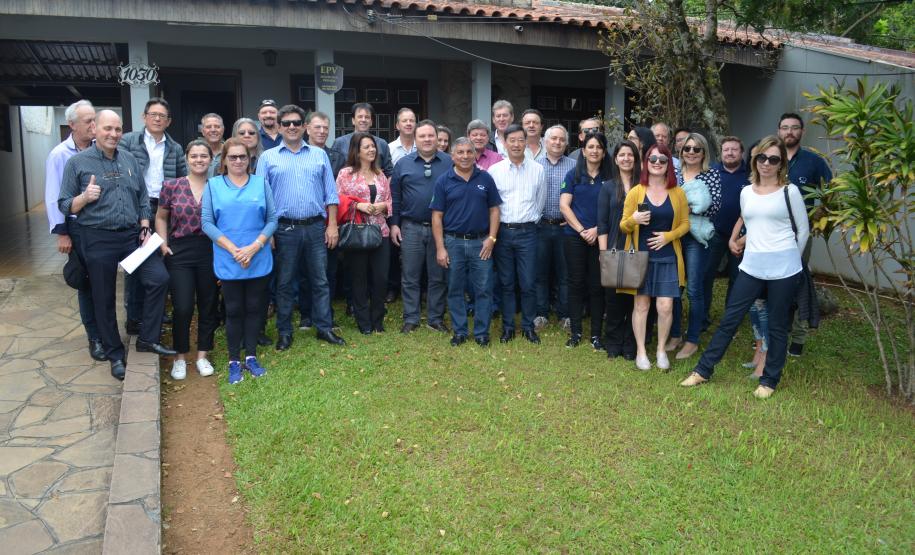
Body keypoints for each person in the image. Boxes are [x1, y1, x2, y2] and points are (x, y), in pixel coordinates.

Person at [681, 135, 809, 399]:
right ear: (755, 160)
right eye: (762, 157)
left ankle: (769, 380)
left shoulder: (790, 191)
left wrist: (793, 262)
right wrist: (737, 239)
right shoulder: (746, 191)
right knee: (729, 319)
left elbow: (803, 230)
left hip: (784, 269)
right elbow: (755, 223)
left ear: (781, 163)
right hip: (751, 265)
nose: (766, 163)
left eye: (773, 159)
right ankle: (703, 370)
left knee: (776, 324)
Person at [58, 110, 175, 381]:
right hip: (97, 237)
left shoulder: (130, 159)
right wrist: (84, 198)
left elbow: (144, 198)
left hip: (133, 236)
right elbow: (64, 204)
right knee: (103, 296)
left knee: (159, 278)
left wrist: (145, 225)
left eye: (117, 129)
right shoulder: (77, 163)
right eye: (107, 128)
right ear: (94, 130)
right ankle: (114, 353)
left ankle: (147, 338)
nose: (113, 134)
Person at [256, 104, 344, 350]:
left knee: (320, 280)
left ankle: (324, 327)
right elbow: (261, 198)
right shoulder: (267, 158)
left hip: (316, 227)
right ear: (279, 127)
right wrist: (268, 233)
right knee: (284, 283)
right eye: (287, 123)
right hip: (283, 230)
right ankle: (285, 332)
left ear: (304, 126)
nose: (292, 127)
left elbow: (331, 194)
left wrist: (333, 225)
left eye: (296, 122)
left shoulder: (319, 155)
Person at [202, 138, 277, 384]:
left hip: (258, 255)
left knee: (255, 309)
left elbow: (272, 219)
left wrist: (254, 247)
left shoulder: (260, 183)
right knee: (234, 310)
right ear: (223, 160)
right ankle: (234, 359)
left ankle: (252, 356)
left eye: (242, 157)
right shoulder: (213, 185)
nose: (237, 161)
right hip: (229, 257)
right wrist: (235, 250)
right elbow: (207, 223)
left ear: (249, 159)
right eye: (232, 157)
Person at [120, 97, 188, 334]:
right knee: (136, 262)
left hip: (164, 208)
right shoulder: (129, 141)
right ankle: (134, 316)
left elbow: (181, 180)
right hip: (137, 205)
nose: (157, 119)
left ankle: (158, 311)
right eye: (153, 114)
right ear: (144, 117)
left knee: (161, 258)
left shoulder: (175, 147)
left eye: (162, 116)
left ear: (168, 121)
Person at [620, 144, 690, 371]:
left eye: (662, 159)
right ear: (646, 162)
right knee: (641, 305)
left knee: (666, 306)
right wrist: (634, 220)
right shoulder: (636, 191)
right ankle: (641, 351)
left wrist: (669, 236)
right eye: (653, 159)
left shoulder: (677, 192)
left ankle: (661, 349)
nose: (657, 163)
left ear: (669, 164)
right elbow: (623, 226)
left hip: (668, 257)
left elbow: (686, 224)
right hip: (640, 257)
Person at [45, 99, 104, 361]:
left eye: (95, 119)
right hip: (77, 226)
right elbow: (52, 195)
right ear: (72, 125)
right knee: (86, 283)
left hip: (101, 225)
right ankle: (94, 337)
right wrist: (63, 232)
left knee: (102, 282)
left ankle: (106, 331)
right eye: (88, 121)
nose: (94, 125)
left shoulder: (100, 148)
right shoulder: (60, 154)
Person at [155, 139, 219, 380]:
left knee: (208, 304)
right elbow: (161, 217)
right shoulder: (171, 186)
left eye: (204, 156)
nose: (199, 160)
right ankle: (180, 357)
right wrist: (163, 243)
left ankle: (203, 355)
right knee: (182, 307)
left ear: (211, 159)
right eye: (194, 156)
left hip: (210, 250)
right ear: (186, 158)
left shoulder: (217, 186)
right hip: (179, 252)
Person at [431, 137, 502, 347]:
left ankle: (481, 332)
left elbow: (494, 210)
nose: (464, 156)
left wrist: (492, 238)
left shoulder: (486, 178)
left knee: (484, 289)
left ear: (474, 154)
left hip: (481, 243)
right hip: (453, 242)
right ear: (452, 156)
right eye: (460, 152)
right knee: (454, 288)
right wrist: (441, 248)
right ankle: (460, 331)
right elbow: (436, 216)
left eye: (468, 152)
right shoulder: (444, 180)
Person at [390, 119, 452, 334]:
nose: (427, 139)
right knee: (410, 275)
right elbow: (395, 198)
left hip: (440, 229)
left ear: (438, 138)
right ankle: (411, 318)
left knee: (438, 275)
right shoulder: (403, 164)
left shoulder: (449, 162)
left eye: (430, 136)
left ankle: (435, 318)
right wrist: (395, 225)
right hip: (410, 227)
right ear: (415, 140)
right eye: (422, 136)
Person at [778, 112, 832, 357]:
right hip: (771, 234)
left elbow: (831, 193)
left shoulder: (814, 162)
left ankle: (798, 339)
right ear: (779, 131)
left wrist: (818, 218)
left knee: (797, 282)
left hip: (800, 234)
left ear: (802, 131)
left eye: (794, 128)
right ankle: (776, 332)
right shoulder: (770, 158)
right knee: (772, 284)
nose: (789, 131)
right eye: (785, 127)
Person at [488, 124, 546, 344]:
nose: (516, 144)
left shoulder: (537, 170)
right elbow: (492, 206)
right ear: (504, 143)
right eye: (511, 140)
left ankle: (529, 327)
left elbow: (540, 203)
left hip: (528, 232)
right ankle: (508, 327)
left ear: (526, 141)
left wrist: (529, 222)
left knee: (528, 282)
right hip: (503, 232)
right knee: (506, 282)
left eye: (520, 139)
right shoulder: (495, 171)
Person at [668, 133, 722, 360]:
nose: (691, 152)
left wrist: (687, 209)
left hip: (695, 238)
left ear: (704, 153)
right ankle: (675, 334)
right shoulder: (675, 173)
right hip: (674, 235)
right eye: (687, 148)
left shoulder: (710, 175)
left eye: (696, 149)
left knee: (694, 289)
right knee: (675, 288)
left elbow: (715, 205)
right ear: (681, 152)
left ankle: (692, 339)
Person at [335, 133, 393, 334]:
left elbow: (389, 201)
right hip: (357, 232)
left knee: (381, 278)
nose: (372, 150)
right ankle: (363, 322)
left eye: (373, 146)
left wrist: (382, 207)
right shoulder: (345, 174)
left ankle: (377, 320)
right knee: (358, 278)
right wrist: (359, 205)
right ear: (357, 151)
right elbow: (338, 200)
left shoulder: (380, 174)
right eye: (367, 147)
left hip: (380, 232)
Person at [560, 132, 612, 350]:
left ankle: (596, 336)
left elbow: (615, 209)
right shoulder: (573, 175)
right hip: (575, 237)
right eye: (590, 147)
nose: (594, 151)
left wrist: (596, 230)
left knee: (597, 285)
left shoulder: (611, 177)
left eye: (599, 147)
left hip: (601, 237)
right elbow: (564, 206)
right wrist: (582, 230)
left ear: (604, 151)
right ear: (583, 151)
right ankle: (576, 333)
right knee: (575, 283)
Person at [298, 111, 346, 329]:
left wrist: (334, 224)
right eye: (317, 127)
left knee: (329, 270)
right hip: (306, 220)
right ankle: (306, 314)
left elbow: (338, 190)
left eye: (325, 128)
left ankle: (326, 313)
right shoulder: (298, 154)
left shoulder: (336, 156)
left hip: (331, 220)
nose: (322, 131)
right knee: (305, 271)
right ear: (307, 128)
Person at [597, 140, 641, 360]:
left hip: (637, 249)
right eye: (622, 155)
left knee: (635, 300)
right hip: (613, 247)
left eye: (630, 155)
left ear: (636, 158)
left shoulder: (644, 185)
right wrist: (603, 253)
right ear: (615, 159)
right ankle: (613, 341)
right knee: (613, 299)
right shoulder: (607, 187)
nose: (626, 158)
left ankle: (631, 342)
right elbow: (602, 223)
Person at [534, 125, 576, 331]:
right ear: (545, 141)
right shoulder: (534, 165)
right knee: (540, 273)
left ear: (566, 143)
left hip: (565, 227)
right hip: (540, 226)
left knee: (565, 273)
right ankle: (541, 314)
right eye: (553, 139)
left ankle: (565, 315)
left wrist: (573, 220)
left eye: (561, 139)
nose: (557, 142)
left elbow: (580, 195)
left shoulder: (574, 166)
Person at [704, 135, 748, 324]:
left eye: (734, 149)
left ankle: (731, 319)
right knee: (706, 276)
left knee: (737, 278)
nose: (729, 153)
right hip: (714, 233)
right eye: (726, 150)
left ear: (741, 152)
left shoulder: (751, 174)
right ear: (721, 153)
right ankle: (703, 316)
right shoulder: (711, 172)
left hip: (741, 236)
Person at [332, 102, 394, 177]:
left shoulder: (382, 144)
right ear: (353, 120)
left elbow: (389, 173)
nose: (363, 120)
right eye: (360, 117)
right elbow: (334, 173)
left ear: (371, 122)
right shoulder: (340, 143)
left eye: (367, 117)